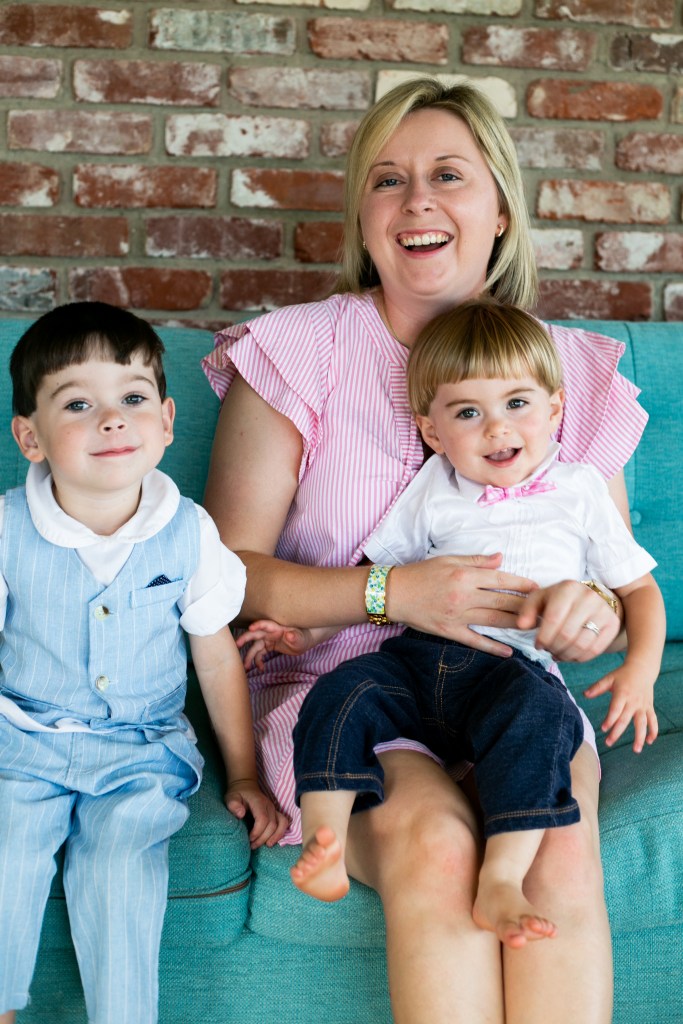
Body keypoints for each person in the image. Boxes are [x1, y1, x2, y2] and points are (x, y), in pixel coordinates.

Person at [201, 76, 650, 1023]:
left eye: (448, 175)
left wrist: (589, 615)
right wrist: (390, 595)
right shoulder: (297, 351)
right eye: (386, 181)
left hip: (513, 683)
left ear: (497, 209)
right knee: (437, 841)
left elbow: (611, 581)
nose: (417, 203)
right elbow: (225, 575)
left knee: (557, 843)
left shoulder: (570, 372)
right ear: (363, 216)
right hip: (343, 690)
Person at [237, 299, 664, 950]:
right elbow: (376, 571)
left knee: (540, 727)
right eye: (468, 413)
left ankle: (502, 877)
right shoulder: (435, 486)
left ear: (555, 410)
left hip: (511, 672)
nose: (496, 428)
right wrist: (309, 634)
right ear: (433, 432)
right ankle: (324, 838)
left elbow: (636, 589)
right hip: (416, 658)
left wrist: (639, 671)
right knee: (342, 694)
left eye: (517, 404)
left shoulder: (577, 488)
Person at [0, 302, 287, 1024]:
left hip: (141, 749)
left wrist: (246, 773)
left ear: (165, 421)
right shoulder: (6, 529)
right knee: (6, 854)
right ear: (30, 438)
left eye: (131, 399)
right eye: (78, 403)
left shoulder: (188, 532)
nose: (111, 419)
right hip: (20, 742)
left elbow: (216, 656)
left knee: (119, 869)